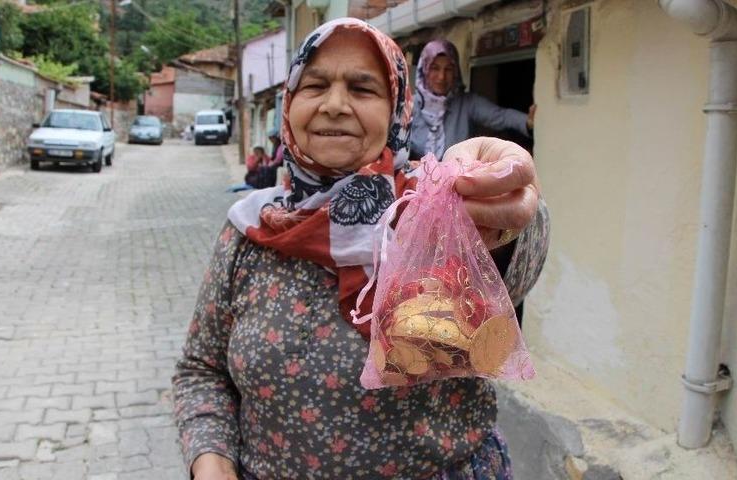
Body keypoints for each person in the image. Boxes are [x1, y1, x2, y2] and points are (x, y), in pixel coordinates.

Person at [173, 18, 549, 480]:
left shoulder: (430, 212)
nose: (334, 105)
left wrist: (508, 207)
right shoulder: (251, 229)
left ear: (396, 109)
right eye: (314, 85)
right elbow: (201, 370)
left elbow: (514, 261)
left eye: (362, 88)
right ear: (289, 103)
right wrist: (212, 464)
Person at [409, 39, 536, 159]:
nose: (442, 77)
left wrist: (527, 122)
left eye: (448, 69)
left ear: (456, 72)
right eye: (435, 68)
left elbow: (500, 116)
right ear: (424, 69)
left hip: (457, 180)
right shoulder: (410, 105)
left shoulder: (467, 103)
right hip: (416, 180)